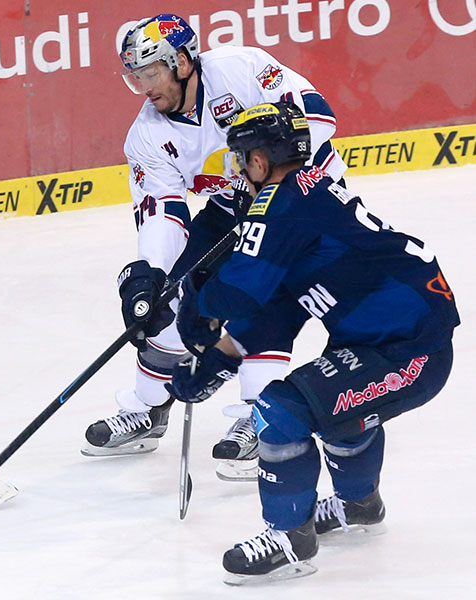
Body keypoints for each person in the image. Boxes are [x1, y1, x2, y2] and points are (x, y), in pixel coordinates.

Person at [167, 102, 459, 583]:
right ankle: (358, 505)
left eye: (241, 159)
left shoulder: (280, 207)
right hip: (393, 343)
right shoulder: (307, 196)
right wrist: (216, 362)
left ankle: (290, 537)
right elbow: (278, 311)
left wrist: (196, 293)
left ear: (260, 161)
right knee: (336, 409)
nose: (239, 171)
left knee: (281, 410)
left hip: (408, 352)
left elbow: (237, 294)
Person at [82, 15, 348, 483]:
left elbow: (319, 116)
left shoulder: (243, 68)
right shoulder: (147, 136)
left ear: (181, 62)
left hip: (301, 196)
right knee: (169, 306)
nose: (143, 87)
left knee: (260, 300)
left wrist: (265, 165)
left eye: (149, 73)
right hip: (231, 206)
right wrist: (153, 273)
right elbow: (163, 210)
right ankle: (150, 407)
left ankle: (263, 415)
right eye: (134, 77)